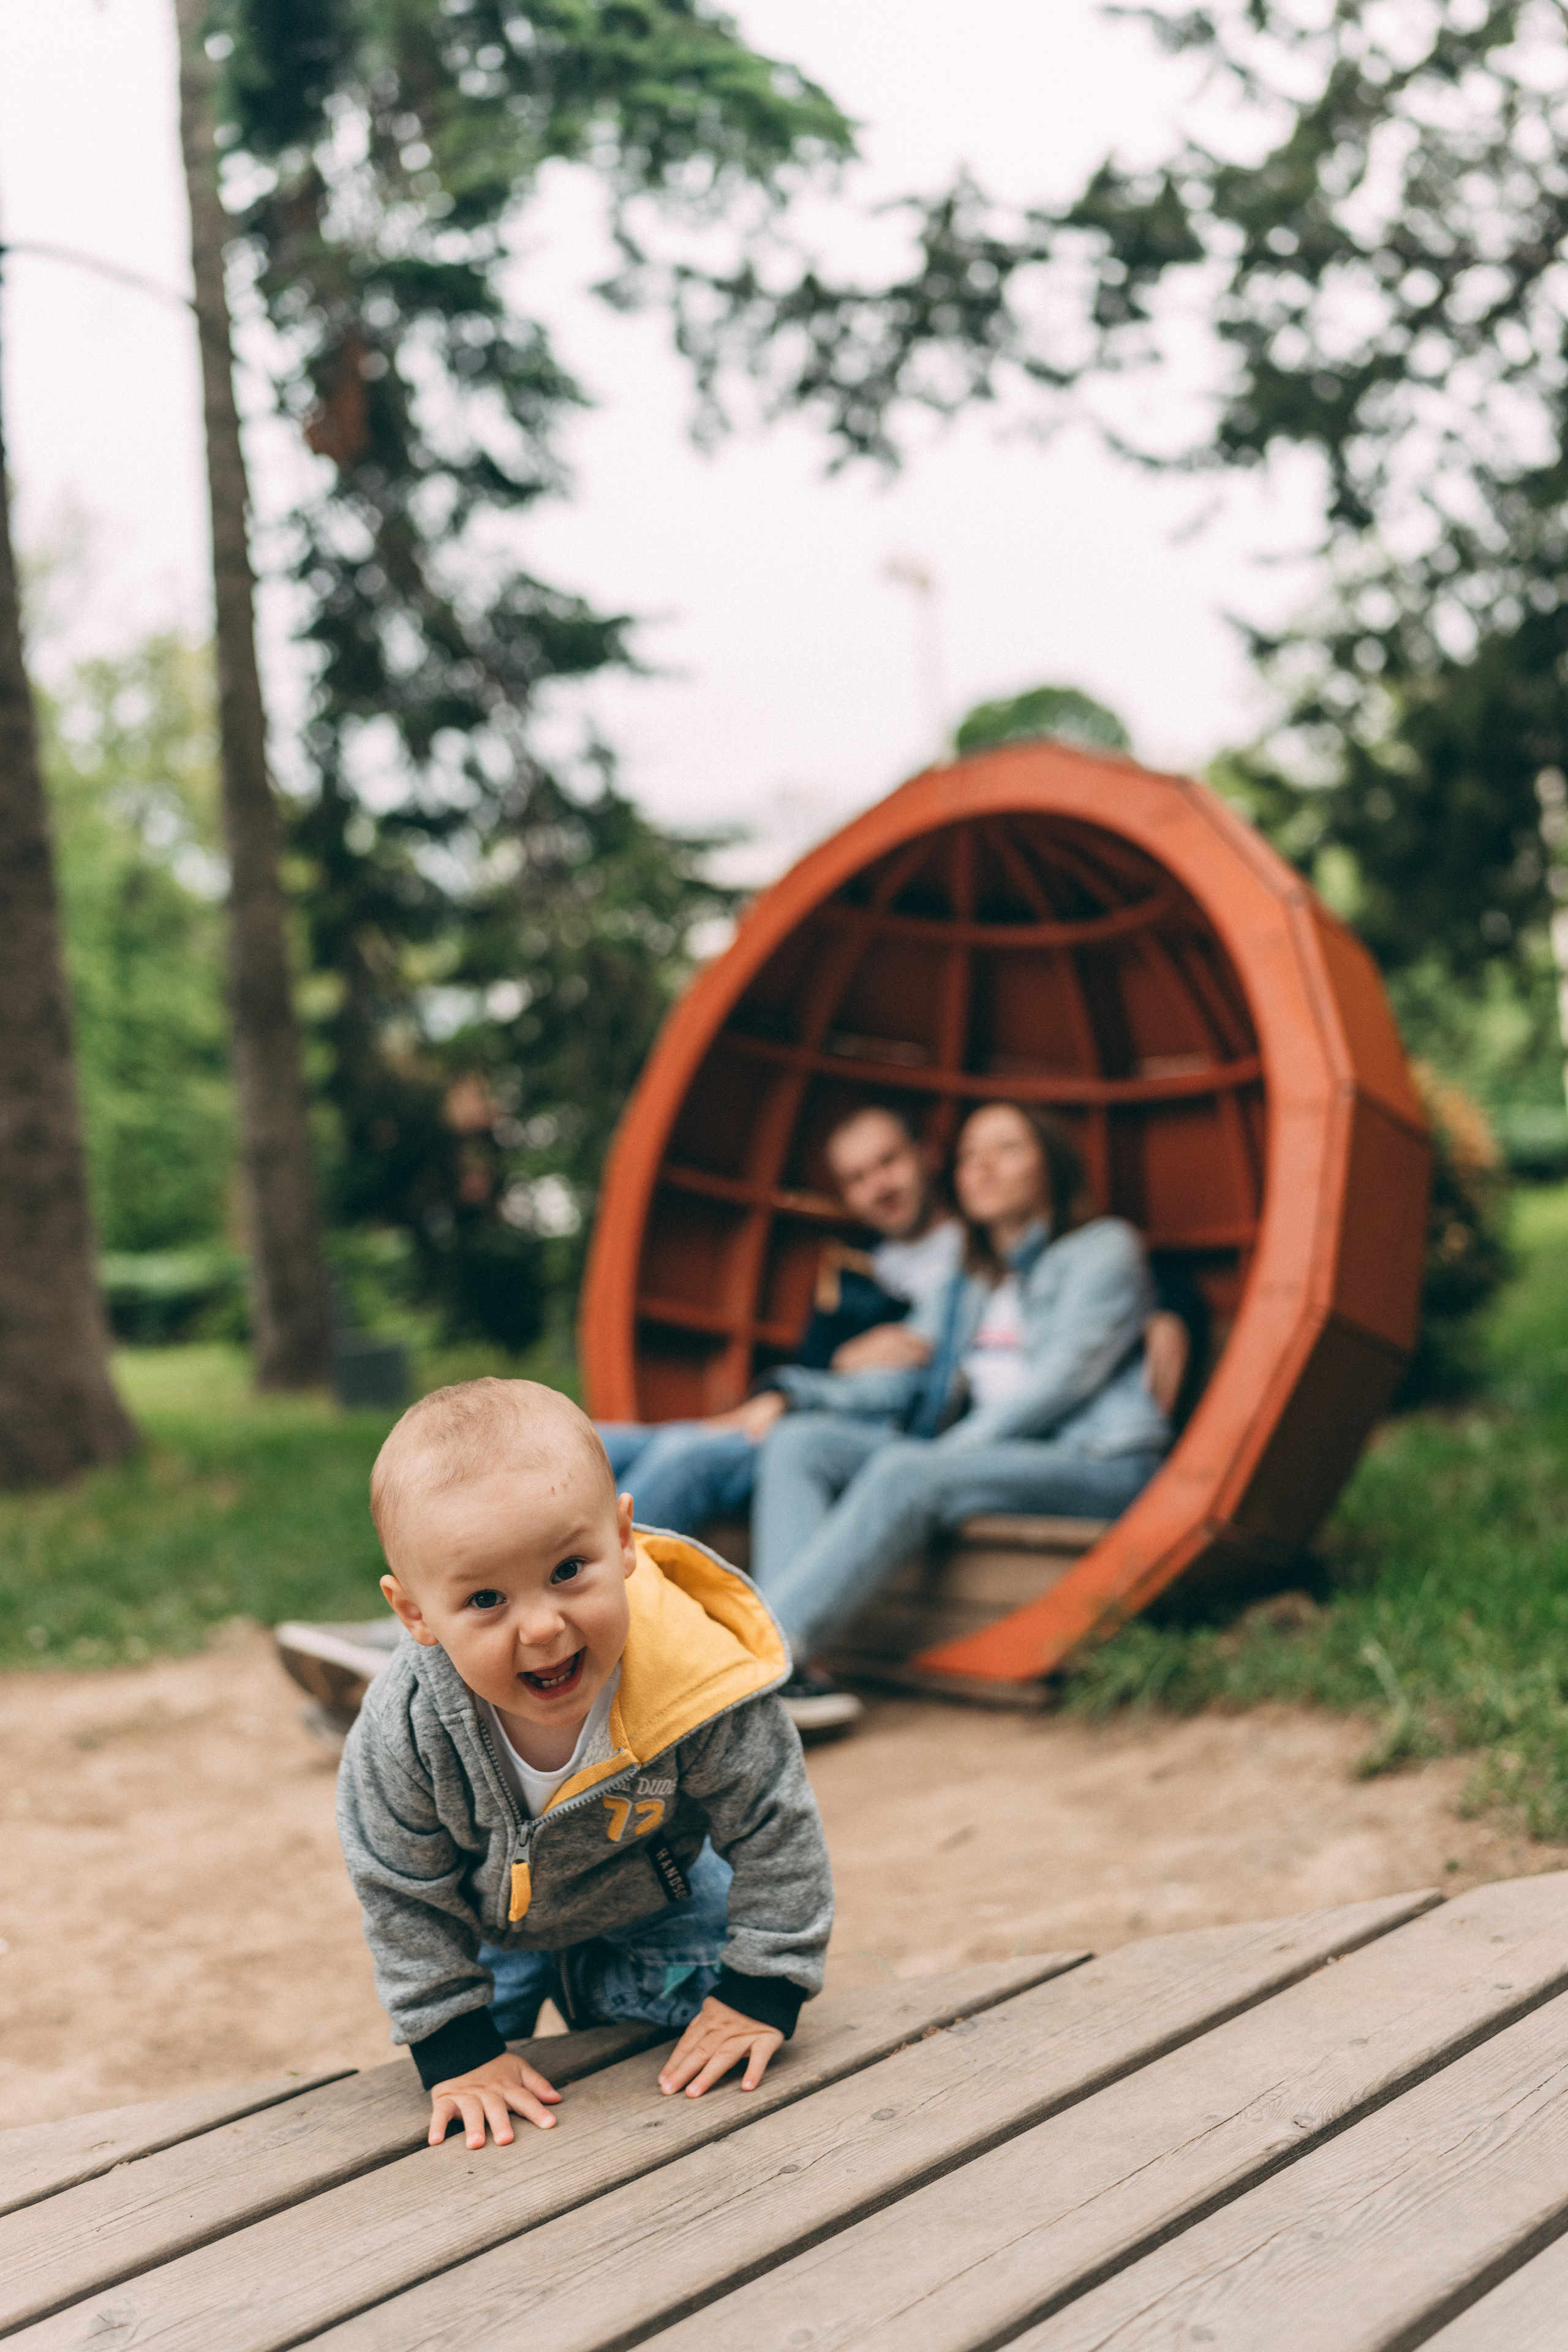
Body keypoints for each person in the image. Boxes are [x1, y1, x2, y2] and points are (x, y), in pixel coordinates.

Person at [276, 1102, 960, 1741]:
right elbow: (813, 1362)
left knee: (690, 1457)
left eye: (888, 1162)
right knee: (594, 1443)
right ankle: (415, 1640)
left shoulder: (961, 1265)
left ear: (926, 1155)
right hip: (786, 1413)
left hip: (832, 1434)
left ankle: (417, 1664)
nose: (877, 1185)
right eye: (857, 1177)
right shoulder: (852, 1265)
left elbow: (923, 1383)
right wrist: (828, 1368)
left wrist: (802, 1391)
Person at [338, 1376, 834, 2150]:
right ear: (415, 1613)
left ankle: (628, 1996)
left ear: (624, 1540)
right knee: (478, 2110)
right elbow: (400, 1887)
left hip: (662, 1897)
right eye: (485, 1600)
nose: (542, 1627)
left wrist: (763, 1988)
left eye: (568, 1570)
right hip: (487, 1928)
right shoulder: (407, 1727)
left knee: (696, 2070)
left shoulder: (697, 1680)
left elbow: (775, 1822)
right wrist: (456, 2048)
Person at [749, 1102, 1172, 1711]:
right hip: (985, 1459)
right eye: (970, 1155)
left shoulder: (1103, 1249)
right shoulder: (970, 1281)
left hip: (1096, 1461)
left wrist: (941, 1456)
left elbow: (1061, 1383)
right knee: (801, 1442)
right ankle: (787, 1669)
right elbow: (904, 1378)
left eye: (1007, 1149)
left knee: (907, 1470)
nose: (983, 1166)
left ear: (1051, 1166)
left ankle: (755, 1668)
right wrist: (794, 1393)